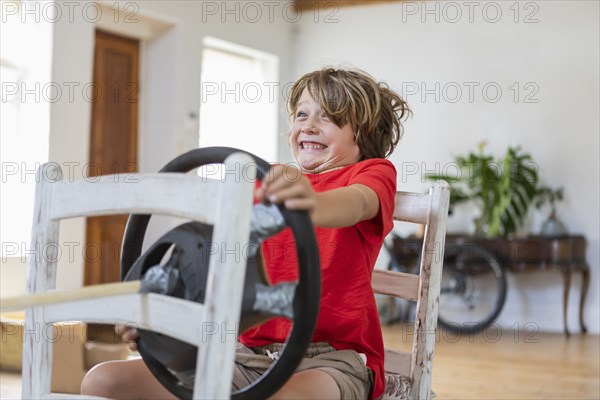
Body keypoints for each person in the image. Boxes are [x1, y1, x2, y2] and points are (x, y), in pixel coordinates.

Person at [81, 67, 410, 400]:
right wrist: (157, 323)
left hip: (330, 360)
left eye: (328, 117)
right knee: (102, 382)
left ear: (364, 134)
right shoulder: (270, 180)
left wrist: (310, 202)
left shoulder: (372, 173)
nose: (308, 125)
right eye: (301, 115)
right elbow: (215, 267)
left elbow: (356, 203)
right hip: (244, 355)